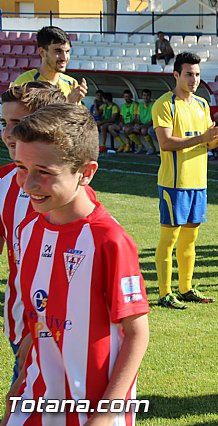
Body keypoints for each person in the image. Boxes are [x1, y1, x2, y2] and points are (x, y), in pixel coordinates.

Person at [6, 103, 150, 425]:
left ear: (86, 172)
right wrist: (16, 393)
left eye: (44, 172)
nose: (27, 184)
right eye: (20, 167)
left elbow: (137, 334)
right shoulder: (28, 231)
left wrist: (104, 415)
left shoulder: (109, 240)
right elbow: (38, 321)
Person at [153, 52, 218, 309]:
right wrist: (203, 139)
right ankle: (165, 292)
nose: (194, 79)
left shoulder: (201, 105)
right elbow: (166, 143)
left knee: (190, 240)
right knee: (169, 239)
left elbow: (208, 140)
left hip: (198, 183)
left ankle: (186, 288)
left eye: (198, 75)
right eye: (189, 74)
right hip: (174, 183)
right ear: (176, 74)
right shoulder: (165, 105)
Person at [0, 82, 68, 391]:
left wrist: (38, 332)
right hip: (17, 325)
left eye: (19, 124)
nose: (9, 134)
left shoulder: (67, 191)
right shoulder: (3, 182)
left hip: (58, 330)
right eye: (5, 124)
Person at [12, 26, 87, 104]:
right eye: (58, 51)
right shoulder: (23, 84)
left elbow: (75, 116)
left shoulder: (71, 84)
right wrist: (67, 105)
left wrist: (75, 106)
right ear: (42, 52)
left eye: (67, 51)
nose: (64, 57)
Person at [109, 89, 141, 153]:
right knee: (111, 127)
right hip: (125, 124)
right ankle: (122, 144)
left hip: (132, 124)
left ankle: (134, 145)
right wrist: (122, 123)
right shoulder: (123, 106)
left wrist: (128, 124)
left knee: (126, 129)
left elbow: (135, 118)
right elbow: (121, 117)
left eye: (128, 96)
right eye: (126, 97)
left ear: (131, 97)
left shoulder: (135, 104)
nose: (127, 98)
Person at [138, 88, 158, 155]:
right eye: (144, 95)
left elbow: (153, 120)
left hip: (151, 125)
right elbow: (137, 117)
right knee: (127, 129)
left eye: (147, 95)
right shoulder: (140, 105)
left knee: (145, 130)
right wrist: (137, 125)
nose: (146, 97)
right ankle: (139, 146)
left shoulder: (154, 105)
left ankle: (152, 148)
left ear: (150, 96)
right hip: (142, 124)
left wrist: (142, 126)